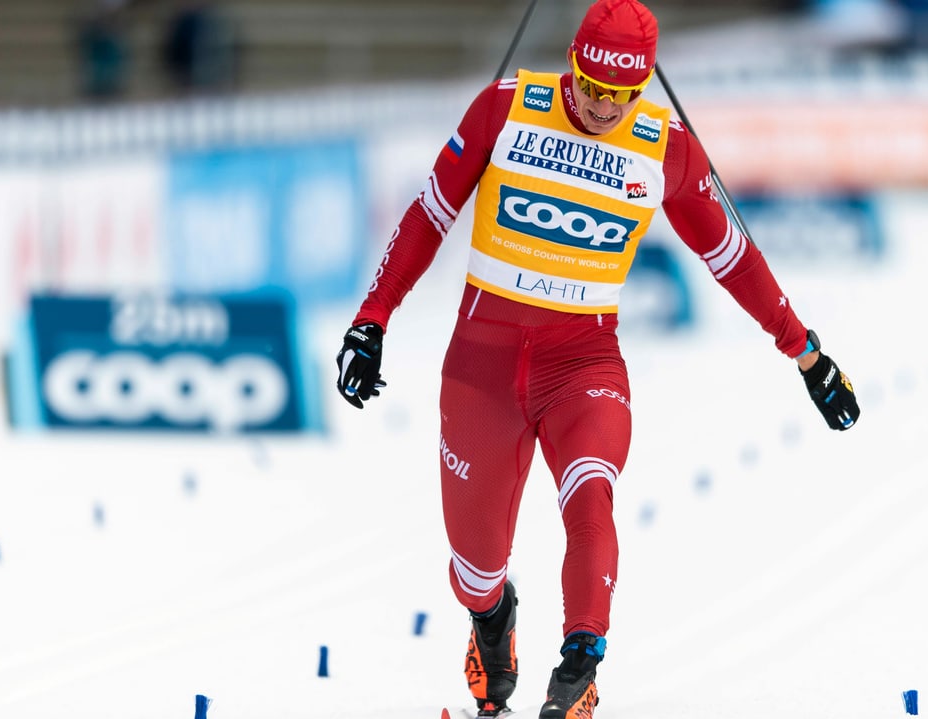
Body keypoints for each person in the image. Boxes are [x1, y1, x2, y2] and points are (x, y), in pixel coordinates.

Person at [335, 1, 860, 717]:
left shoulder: (664, 146)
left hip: (582, 363)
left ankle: (580, 664)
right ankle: (492, 615)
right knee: (476, 570)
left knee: (590, 492)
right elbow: (429, 215)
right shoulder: (505, 109)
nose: (605, 107)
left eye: (623, 94)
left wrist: (806, 351)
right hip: (481, 368)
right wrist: (373, 319)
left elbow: (731, 255)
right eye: (591, 88)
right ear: (573, 66)